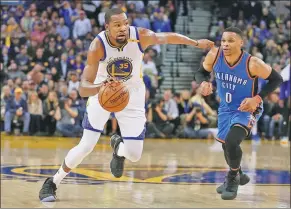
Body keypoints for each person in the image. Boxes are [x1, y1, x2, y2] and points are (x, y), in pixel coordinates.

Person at [39, 8, 214, 202]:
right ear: (107, 27)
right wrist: (101, 87)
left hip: (132, 95)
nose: (123, 28)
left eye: (125, 23)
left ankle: (118, 148)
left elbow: (167, 37)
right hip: (102, 94)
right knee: (86, 145)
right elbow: (82, 88)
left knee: (135, 155)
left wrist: (196, 43)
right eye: (117, 25)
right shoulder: (98, 45)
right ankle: (53, 182)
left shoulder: (140, 36)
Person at [194, 27, 283, 200]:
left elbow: (276, 79)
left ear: (241, 43)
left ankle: (232, 178)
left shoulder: (252, 63)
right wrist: (203, 82)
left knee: (232, 142)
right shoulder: (214, 55)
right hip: (226, 108)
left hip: (247, 108)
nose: (225, 44)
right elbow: (201, 72)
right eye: (223, 40)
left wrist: (257, 98)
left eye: (231, 41)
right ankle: (239, 174)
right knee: (225, 145)